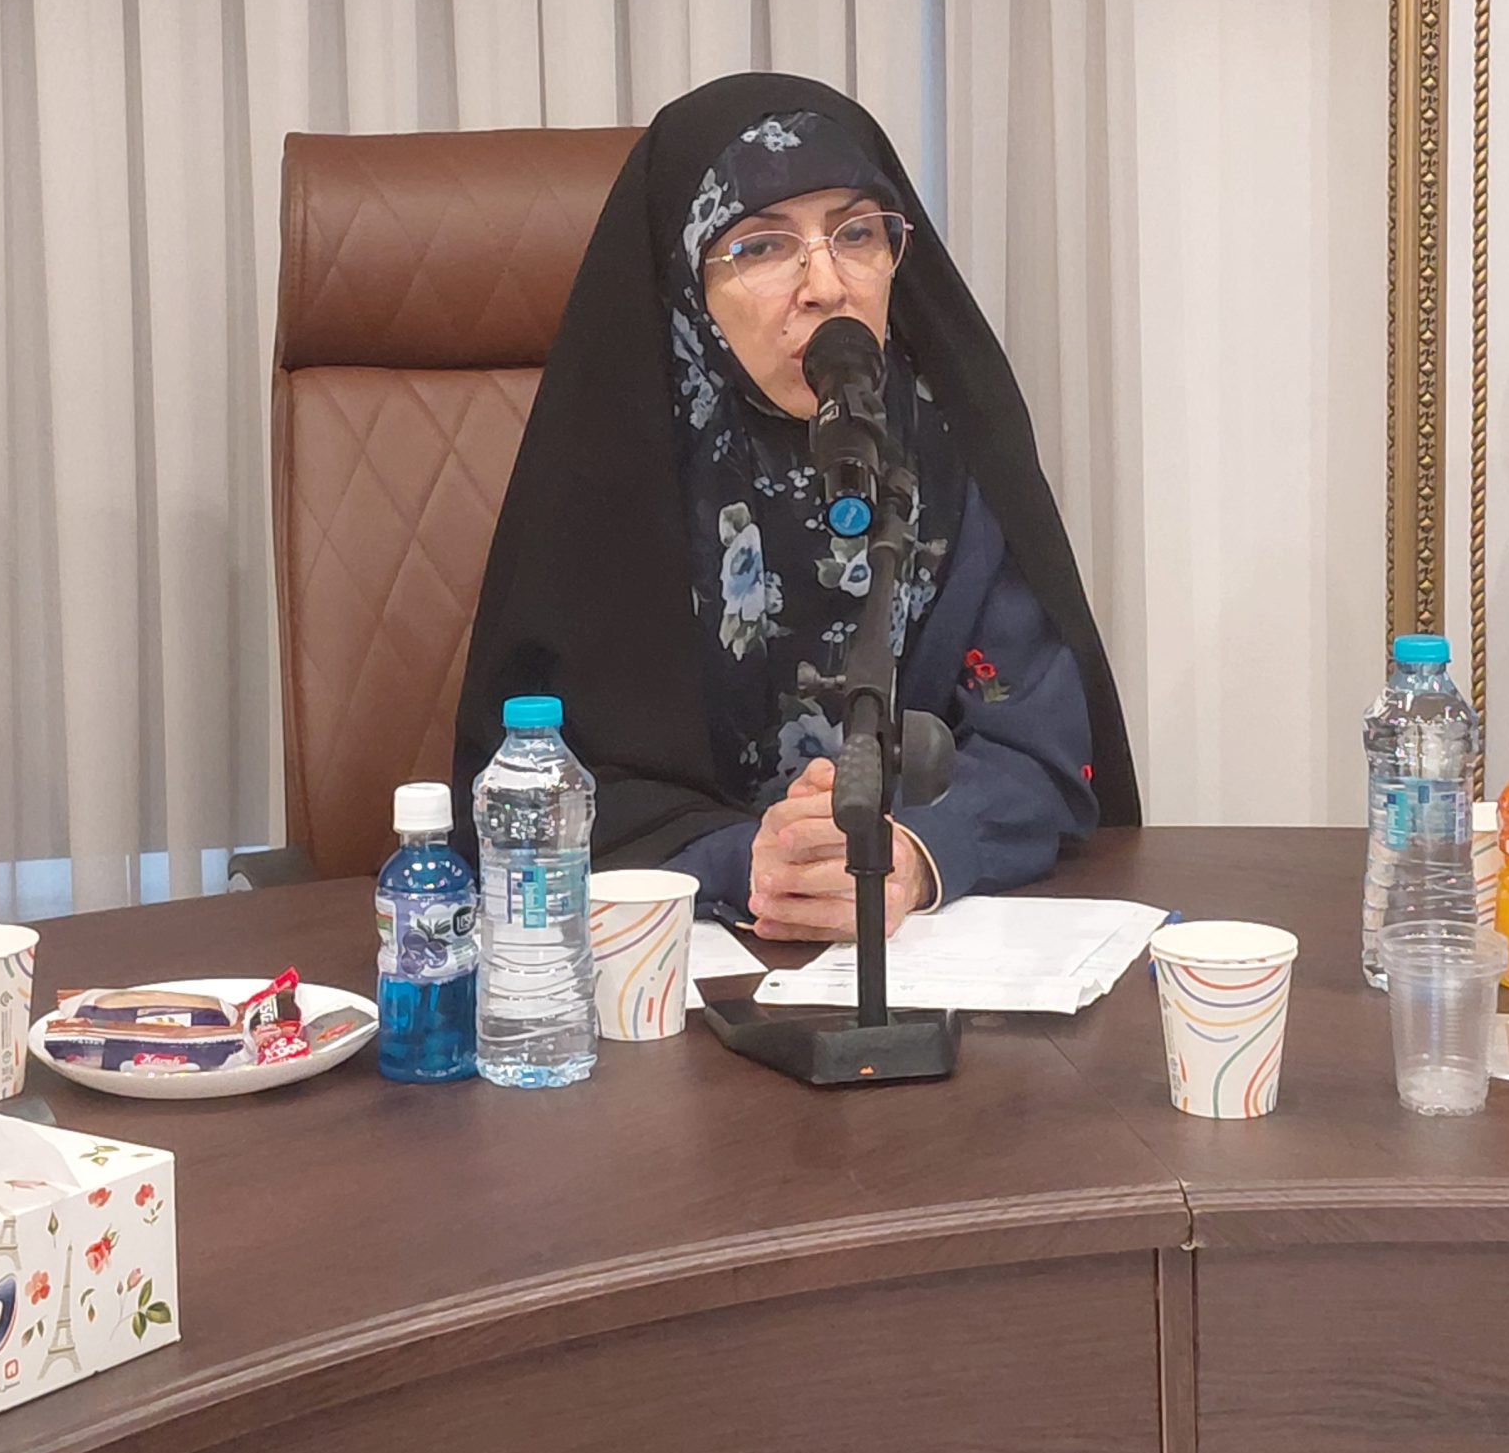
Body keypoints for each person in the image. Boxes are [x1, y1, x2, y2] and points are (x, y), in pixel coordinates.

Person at [456, 73, 1137, 942]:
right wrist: (749, 860)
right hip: (667, 963)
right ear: (686, 284)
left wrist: (915, 854)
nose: (826, 285)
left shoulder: (948, 449)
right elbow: (533, 788)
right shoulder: (617, 466)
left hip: (918, 950)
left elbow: (1042, 749)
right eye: (762, 246)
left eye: (856, 233)